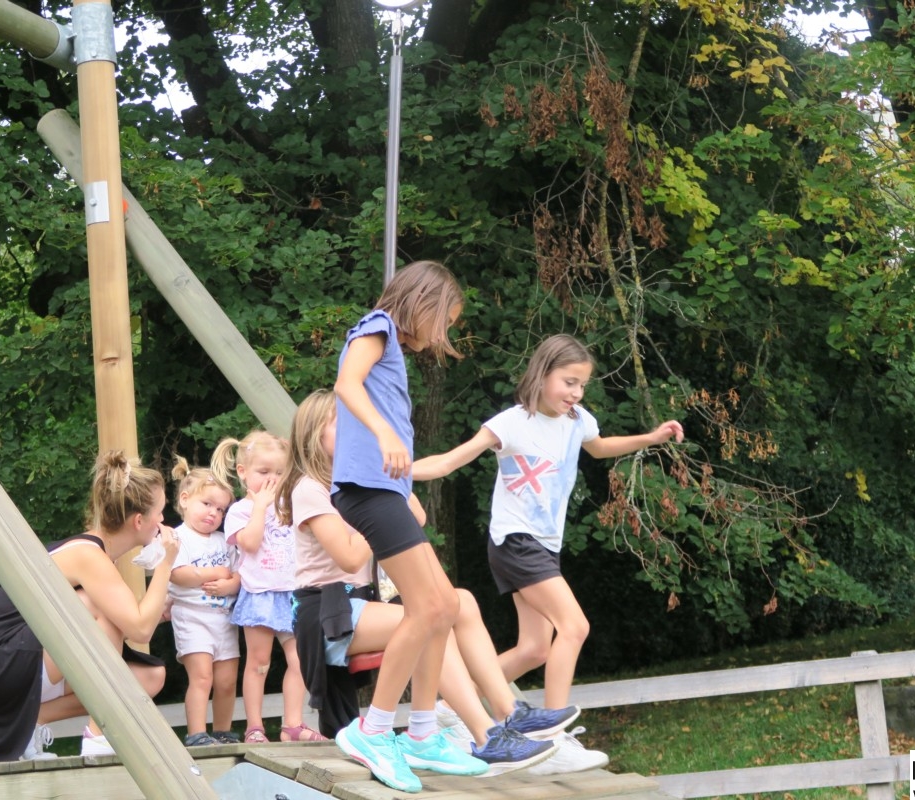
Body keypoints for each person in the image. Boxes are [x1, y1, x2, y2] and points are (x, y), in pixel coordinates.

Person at [413, 333, 685, 775]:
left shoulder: (577, 421)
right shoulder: (511, 423)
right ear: (542, 375)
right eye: (569, 382)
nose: (576, 393)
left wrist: (651, 438)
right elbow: (448, 462)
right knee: (574, 626)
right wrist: (397, 473)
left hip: (543, 545)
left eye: (582, 385)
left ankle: (450, 706)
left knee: (535, 648)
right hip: (515, 541)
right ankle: (553, 738)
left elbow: (600, 447)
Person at [278, 389, 582, 775]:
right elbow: (350, 556)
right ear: (313, 434)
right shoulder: (310, 488)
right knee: (432, 616)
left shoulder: (356, 483)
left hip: (364, 604)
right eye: (344, 427)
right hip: (327, 611)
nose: (358, 436)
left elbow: (417, 516)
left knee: (461, 601)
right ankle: (485, 734)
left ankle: (508, 711)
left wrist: (382, 484)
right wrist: (377, 516)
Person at [329, 260, 487, 793]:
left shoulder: (392, 345)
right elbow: (347, 384)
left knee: (444, 605)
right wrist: (383, 433)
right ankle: (373, 730)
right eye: (444, 322)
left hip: (384, 491)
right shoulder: (376, 326)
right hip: (367, 489)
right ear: (422, 304)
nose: (442, 335)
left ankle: (421, 733)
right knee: (424, 608)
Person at [0, 451, 179, 761]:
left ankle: (34, 720)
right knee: (97, 607)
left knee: (149, 677)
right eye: (160, 512)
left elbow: (138, 623)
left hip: (20, 660)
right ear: (139, 520)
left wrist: (155, 612)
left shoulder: (98, 555)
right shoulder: (88, 555)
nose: (163, 521)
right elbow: (139, 628)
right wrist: (166, 563)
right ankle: (100, 736)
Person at [211, 431, 323, 743]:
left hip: (293, 593)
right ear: (243, 472)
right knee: (259, 663)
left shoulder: (291, 504)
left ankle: (293, 724)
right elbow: (249, 542)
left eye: (279, 472)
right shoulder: (240, 511)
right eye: (263, 472)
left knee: (301, 660)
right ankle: (255, 727)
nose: (272, 479)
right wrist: (260, 507)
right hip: (259, 592)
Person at [166, 457, 241, 746]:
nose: (213, 513)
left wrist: (230, 583)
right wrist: (215, 573)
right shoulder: (178, 538)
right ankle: (196, 733)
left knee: (227, 681)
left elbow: (240, 574)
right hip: (192, 616)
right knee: (202, 677)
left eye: (220, 509)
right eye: (207, 504)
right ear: (185, 500)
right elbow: (178, 575)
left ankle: (222, 731)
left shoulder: (225, 540)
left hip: (224, 618)